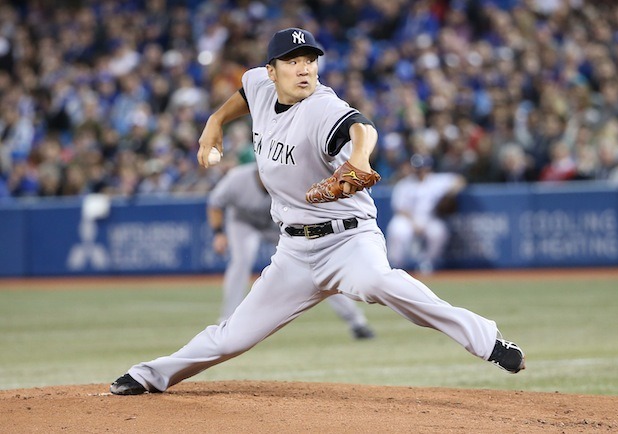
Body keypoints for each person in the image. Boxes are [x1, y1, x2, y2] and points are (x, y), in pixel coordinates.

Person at [110, 27, 525, 395]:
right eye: (293, 61)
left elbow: (362, 126)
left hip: (348, 239)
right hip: (293, 253)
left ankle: (488, 341)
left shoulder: (322, 106)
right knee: (231, 338)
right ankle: (150, 376)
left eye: (310, 59)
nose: (304, 68)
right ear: (272, 71)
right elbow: (242, 94)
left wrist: (360, 157)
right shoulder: (259, 83)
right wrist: (215, 122)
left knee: (382, 283)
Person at [207, 161, 375, 339]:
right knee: (241, 261)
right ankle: (226, 321)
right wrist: (218, 233)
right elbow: (215, 203)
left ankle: (356, 321)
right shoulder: (237, 179)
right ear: (259, 168)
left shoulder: (288, 179)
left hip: (277, 225)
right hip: (242, 222)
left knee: (316, 264)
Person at [386, 154, 467, 273]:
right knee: (398, 230)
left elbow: (460, 181)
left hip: (429, 218)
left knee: (438, 231)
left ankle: (427, 263)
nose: (420, 171)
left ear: (428, 167)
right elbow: (399, 208)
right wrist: (414, 223)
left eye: (422, 167)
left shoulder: (437, 181)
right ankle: (395, 265)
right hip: (408, 219)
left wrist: (450, 194)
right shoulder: (404, 184)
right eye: (417, 168)